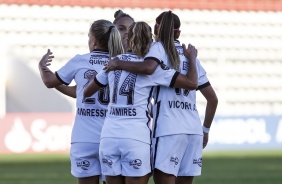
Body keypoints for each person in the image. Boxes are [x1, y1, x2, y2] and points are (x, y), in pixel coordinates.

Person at [104, 11, 218, 184]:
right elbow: (213, 99)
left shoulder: (157, 49)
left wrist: (118, 62)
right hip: (193, 131)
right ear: (179, 32)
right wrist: (206, 130)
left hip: (168, 130)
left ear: (155, 31)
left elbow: (148, 68)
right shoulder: (192, 58)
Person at [83, 21, 198, 184]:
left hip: (109, 136)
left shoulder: (113, 62)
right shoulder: (152, 68)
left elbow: (87, 92)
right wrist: (192, 59)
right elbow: (190, 83)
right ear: (150, 42)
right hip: (135, 137)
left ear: (128, 40)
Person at [38, 19, 124, 184]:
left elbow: (49, 81)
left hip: (83, 137)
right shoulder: (119, 63)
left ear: (93, 40)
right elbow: (79, 92)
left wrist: (42, 66)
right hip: (111, 137)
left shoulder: (80, 61)